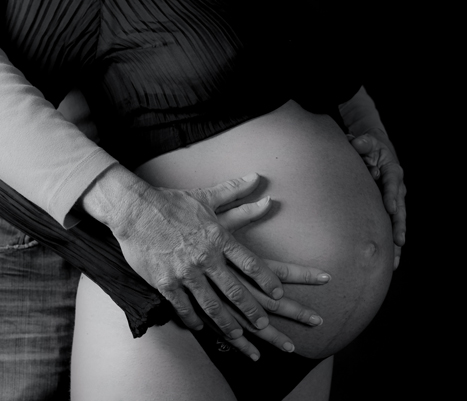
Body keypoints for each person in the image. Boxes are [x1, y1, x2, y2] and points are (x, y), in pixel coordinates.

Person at [0, 1, 406, 399]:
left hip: (297, 337)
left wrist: (369, 132)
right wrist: (131, 224)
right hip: (179, 324)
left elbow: (328, 74)